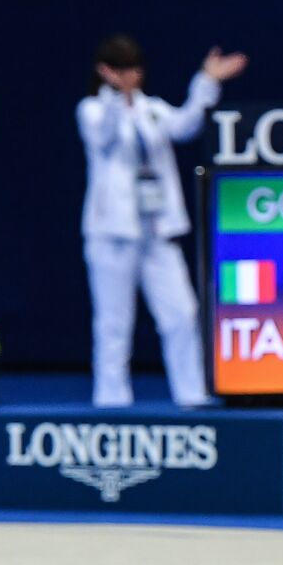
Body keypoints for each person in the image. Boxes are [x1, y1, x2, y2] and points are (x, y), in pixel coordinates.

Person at [76, 35, 247, 408]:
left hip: (158, 231)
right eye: (123, 70)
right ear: (106, 72)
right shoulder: (92, 110)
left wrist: (207, 82)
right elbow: (103, 137)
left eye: (136, 69)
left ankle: (191, 392)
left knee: (182, 315)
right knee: (113, 323)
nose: (132, 77)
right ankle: (111, 400)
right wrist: (115, 97)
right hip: (112, 235)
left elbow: (186, 125)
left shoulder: (152, 110)